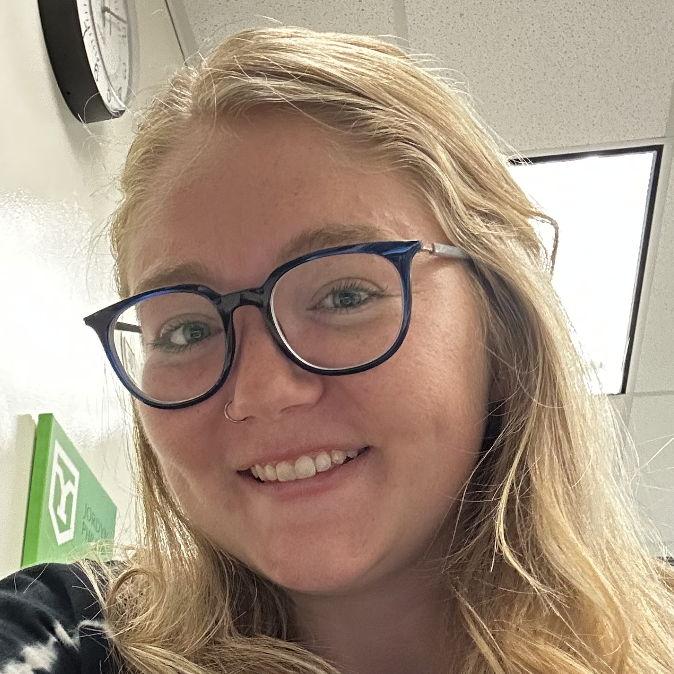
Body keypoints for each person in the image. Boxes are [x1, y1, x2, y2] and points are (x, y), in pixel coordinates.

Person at [1, 25, 673, 674]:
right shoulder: (68, 634)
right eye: (186, 332)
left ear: (502, 330)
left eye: (346, 296)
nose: (261, 392)